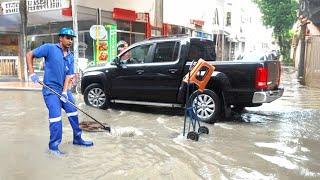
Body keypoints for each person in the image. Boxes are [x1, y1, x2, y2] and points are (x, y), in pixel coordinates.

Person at [26, 27, 93, 156]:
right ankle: (53, 147)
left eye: (71, 39)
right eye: (67, 38)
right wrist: (32, 73)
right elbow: (30, 55)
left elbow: (69, 76)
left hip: (63, 90)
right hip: (50, 91)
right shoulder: (49, 48)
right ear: (60, 38)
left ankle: (77, 139)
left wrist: (64, 92)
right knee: (56, 118)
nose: (70, 41)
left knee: (73, 112)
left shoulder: (70, 56)